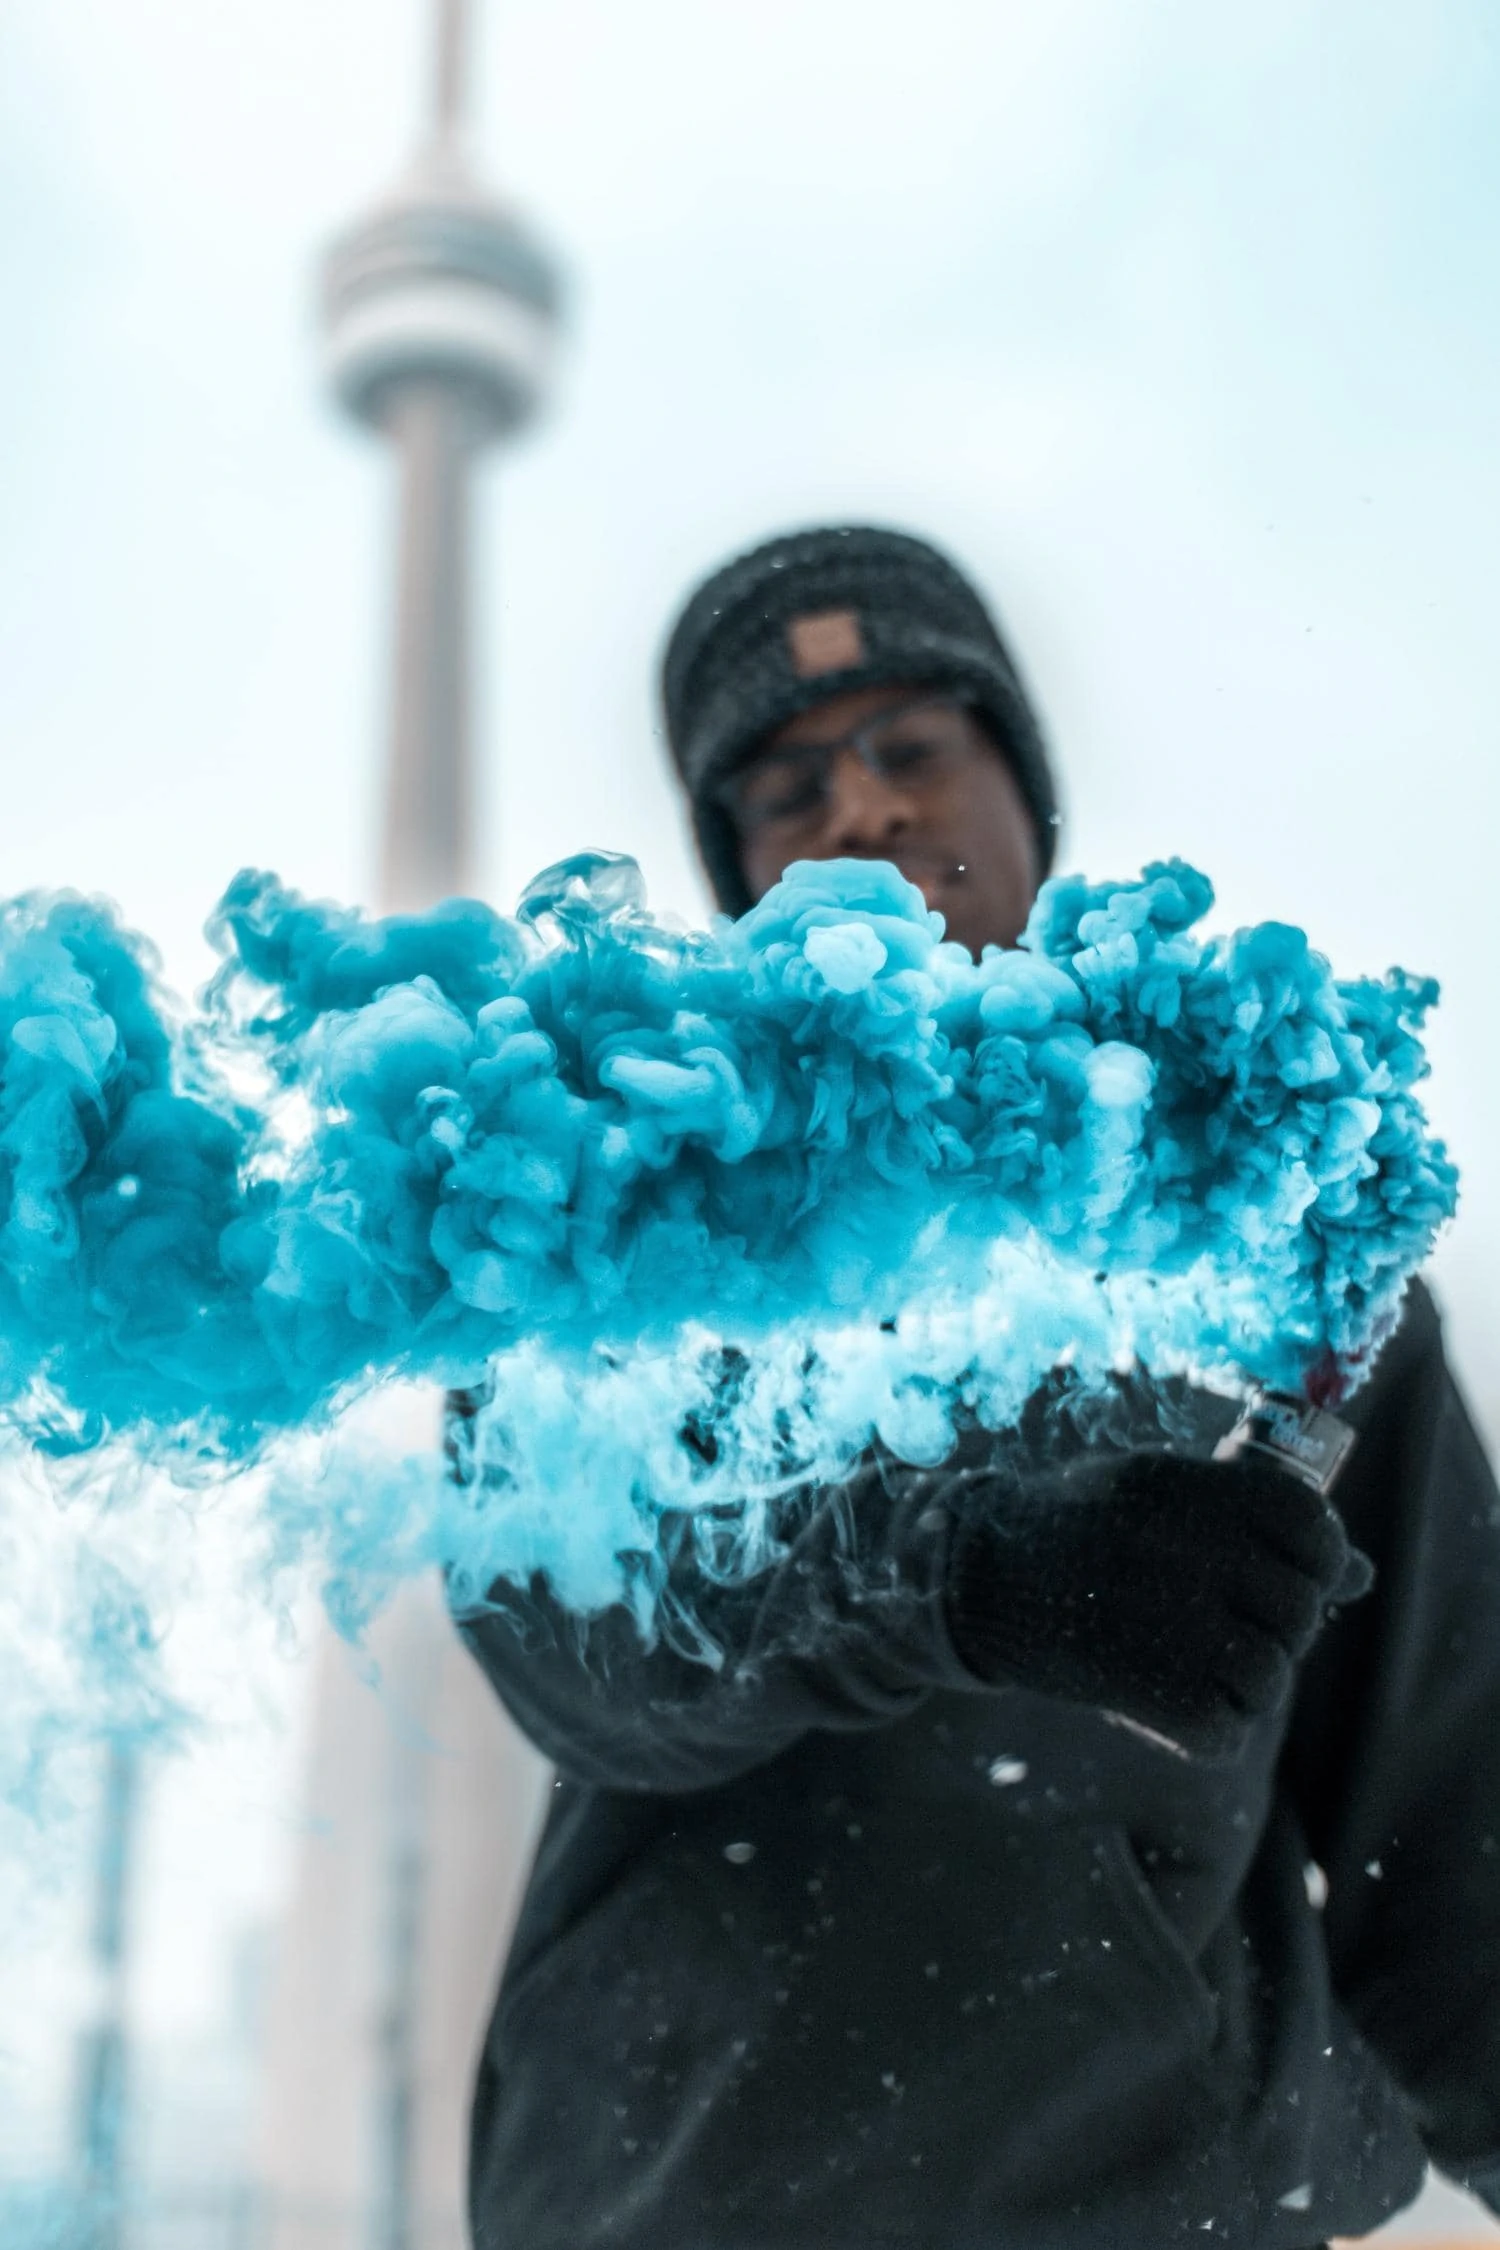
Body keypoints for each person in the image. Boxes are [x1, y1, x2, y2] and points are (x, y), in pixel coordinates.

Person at [454, 525, 1500, 2248]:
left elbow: (1455, 1861)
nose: (864, 809)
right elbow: (569, 1635)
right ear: (739, 880)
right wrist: (964, 1574)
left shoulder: (1284, 1251)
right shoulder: (628, 1205)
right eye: (786, 791)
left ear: (1032, 793)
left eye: (916, 746)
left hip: (1161, 2207)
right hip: (672, 2201)